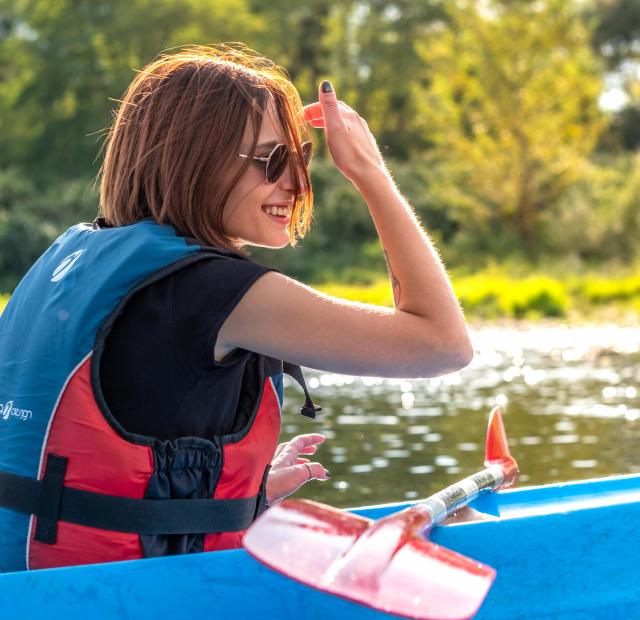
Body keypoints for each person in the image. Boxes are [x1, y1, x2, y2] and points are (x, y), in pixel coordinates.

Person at [0, 45, 473, 573]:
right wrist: (369, 172)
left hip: (32, 596)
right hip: (121, 608)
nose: (296, 184)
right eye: (274, 161)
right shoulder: (213, 290)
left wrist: (241, 490)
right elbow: (443, 344)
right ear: (194, 158)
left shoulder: (71, 260)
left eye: (302, 160)